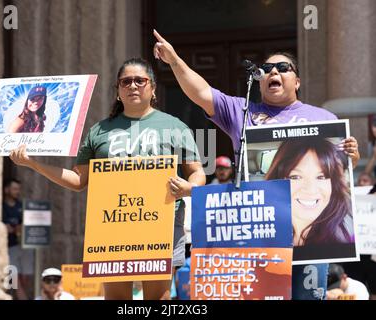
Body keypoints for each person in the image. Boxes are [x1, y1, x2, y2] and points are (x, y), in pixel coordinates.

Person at [152, 29, 360, 300]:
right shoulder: (242, 111)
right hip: (257, 236)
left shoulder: (323, 118)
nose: (273, 72)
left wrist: (351, 156)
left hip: (308, 240)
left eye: (283, 68)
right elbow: (201, 91)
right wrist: (174, 60)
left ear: (296, 81)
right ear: (259, 81)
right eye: (266, 69)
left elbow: (339, 171)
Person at [9, 58, 206, 300]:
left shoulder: (175, 127)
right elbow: (79, 180)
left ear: (152, 88)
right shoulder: (99, 131)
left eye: (140, 81)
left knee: (158, 300)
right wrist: (33, 164)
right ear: (118, 90)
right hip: (113, 224)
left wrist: (189, 187)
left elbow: (197, 172)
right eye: (126, 81)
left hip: (161, 223)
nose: (133, 86)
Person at [265, 138, 353, 248]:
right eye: (296, 177)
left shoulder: (345, 242)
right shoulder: (259, 241)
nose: (311, 189)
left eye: (321, 177)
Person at [2, 178, 34, 300]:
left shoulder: (22, 206)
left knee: (24, 278)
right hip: (10, 247)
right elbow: (6, 227)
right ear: (7, 190)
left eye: (19, 189)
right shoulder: (1, 207)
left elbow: (25, 226)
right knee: (14, 279)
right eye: (15, 189)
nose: (17, 191)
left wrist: (15, 228)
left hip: (25, 247)